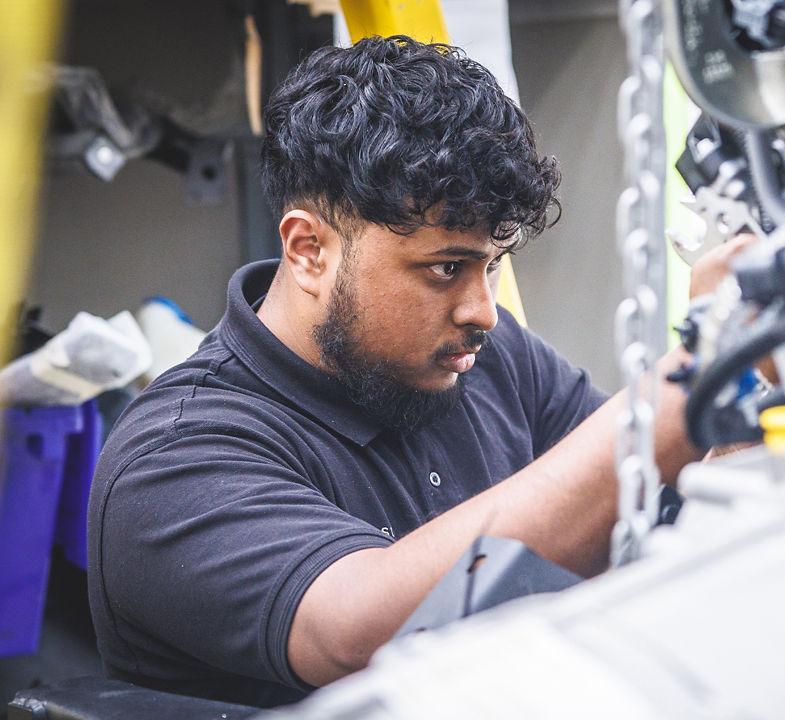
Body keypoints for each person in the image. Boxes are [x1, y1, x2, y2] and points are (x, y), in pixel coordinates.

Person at [87, 35, 740, 708]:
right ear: (308, 249)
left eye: (491, 265)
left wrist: (750, 392)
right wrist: (703, 374)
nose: (484, 310)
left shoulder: (487, 357)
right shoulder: (176, 454)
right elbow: (356, 634)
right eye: (445, 268)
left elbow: (651, 504)